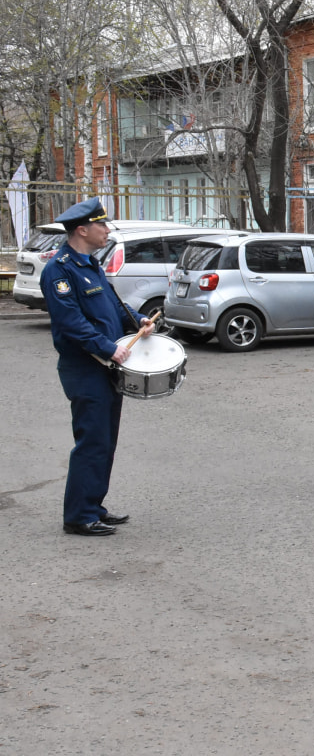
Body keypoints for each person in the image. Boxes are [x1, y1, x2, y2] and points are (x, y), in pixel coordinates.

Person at [41, 197, 154, 536]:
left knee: (105, 442)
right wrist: (108, 348)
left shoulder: (90, 264)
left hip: (105, 367)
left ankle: (94, 506)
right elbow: (71, 322)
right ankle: (78, 516)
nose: (107, 230)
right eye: (101, 225)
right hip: (84, 367)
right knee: (91, 441)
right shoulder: (59, 270)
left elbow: (113, 308)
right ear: (82, 229)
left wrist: (139, 320)